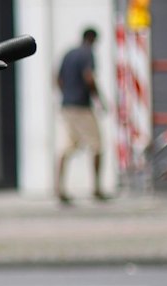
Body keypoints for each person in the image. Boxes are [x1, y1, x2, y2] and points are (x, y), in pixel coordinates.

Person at [54, 28, 109, 205]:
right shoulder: (88, 54)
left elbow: (57, 78)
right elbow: (89, 78)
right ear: (92, 39)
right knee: (97, 145)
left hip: (67, 105)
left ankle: (59, 187)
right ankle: (97, 188)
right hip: (82, 107)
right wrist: (99, 100)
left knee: (67, 146)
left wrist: (66, 94)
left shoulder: (69, 54)